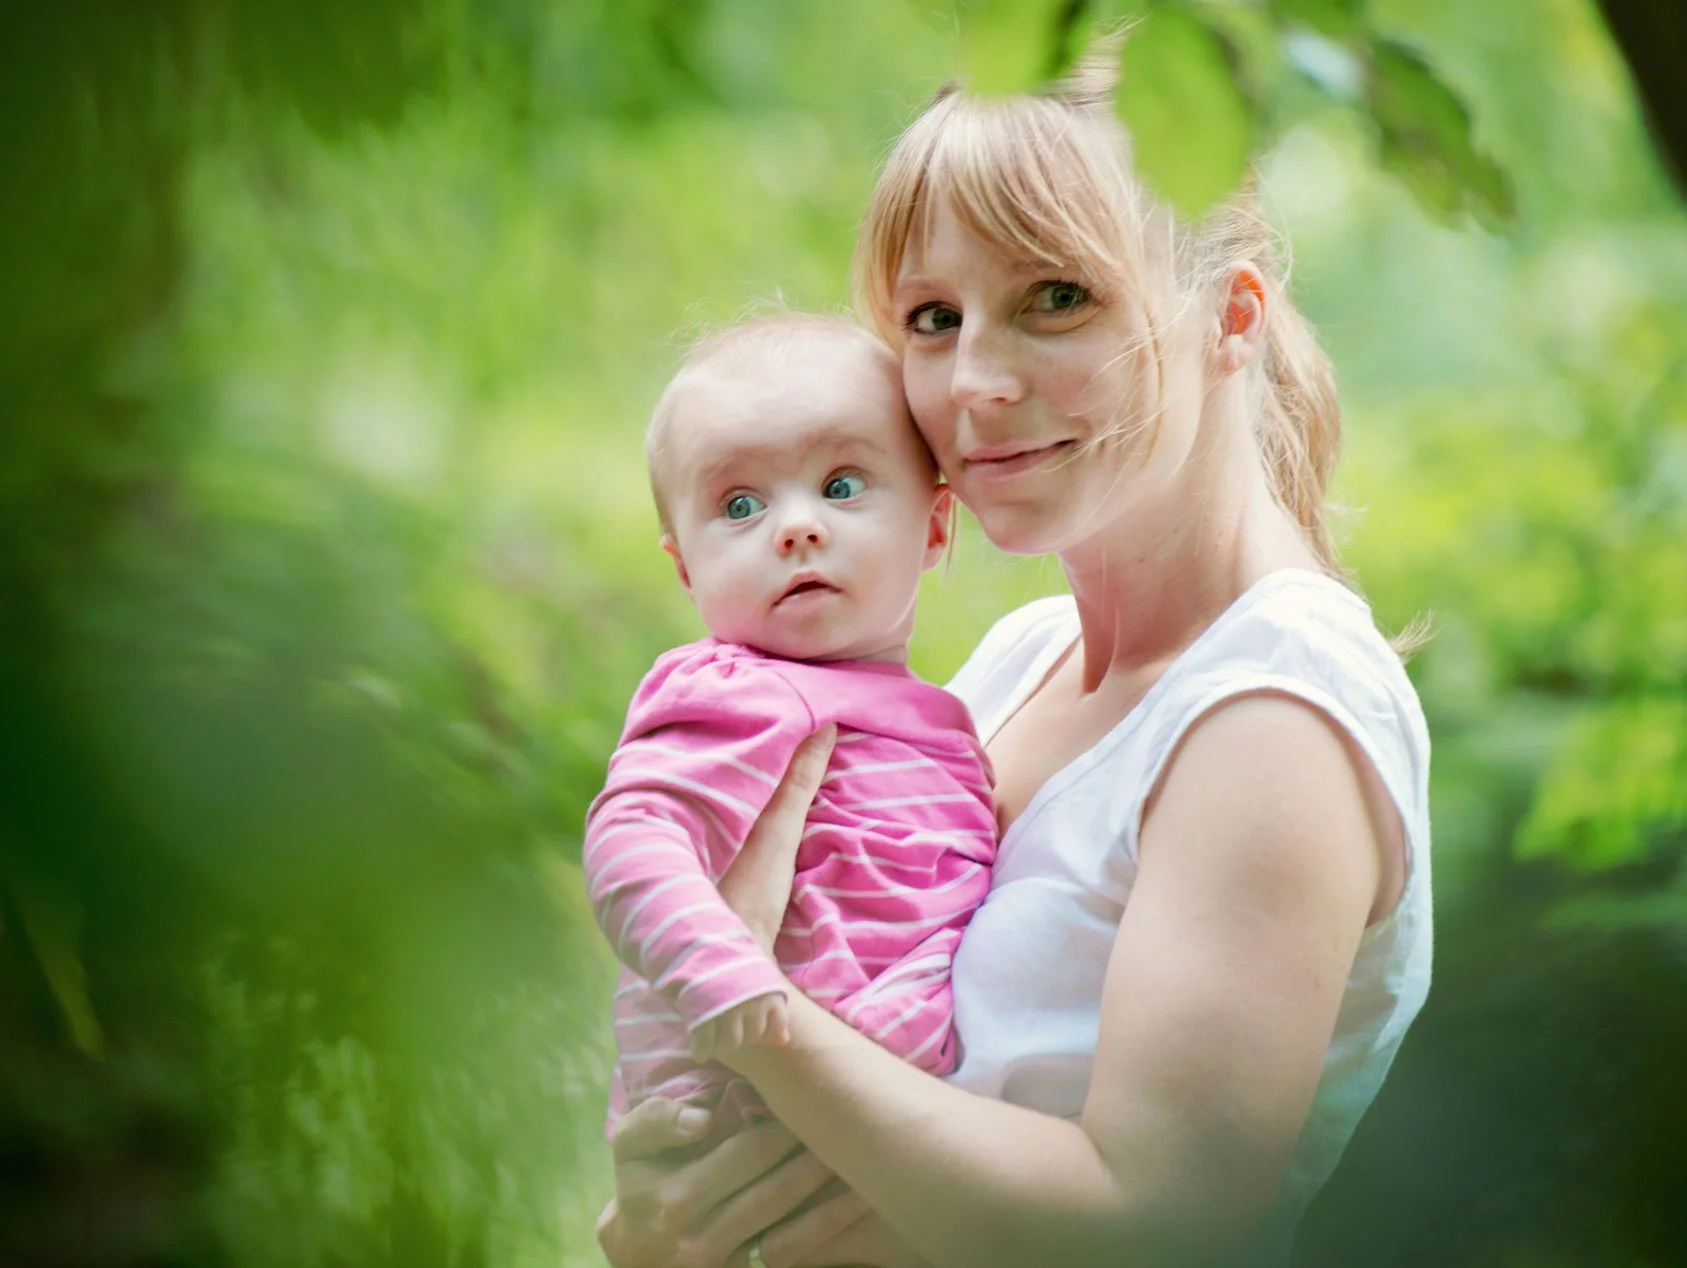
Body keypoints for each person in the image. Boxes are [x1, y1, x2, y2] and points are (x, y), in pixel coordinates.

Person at [595, 46, 1432, 1268]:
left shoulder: (1274, 711)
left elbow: (1155, 1222)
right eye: (933, 318)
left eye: (1055, 298)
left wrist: (746, 1031)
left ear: (1231, 318)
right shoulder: (1013, 661)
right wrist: (669, 1215)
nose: (973, 383)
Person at [584, 313, 998, 1136]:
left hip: (882, 1130)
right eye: (740, 504)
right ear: (685, 569)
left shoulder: (941, 722)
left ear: (937, 526)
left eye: (842, 485)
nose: (796, 527)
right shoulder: (741, 690)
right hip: (742, 1100)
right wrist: (722, 973)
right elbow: (632, 840)